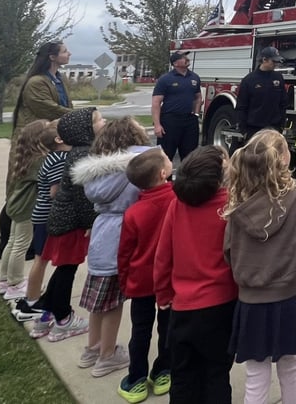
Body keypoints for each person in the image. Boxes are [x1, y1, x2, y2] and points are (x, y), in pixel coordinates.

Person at [222, 129, 296, 404]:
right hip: (289, 297)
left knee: (255, 375)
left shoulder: (237, 202)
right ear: (284, 159)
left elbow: (228, 250)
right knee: (291, 368)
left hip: (251, 301)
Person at [154, 146, 239, 404]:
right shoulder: (229, 208)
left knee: (183, 378)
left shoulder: (176, 206)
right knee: (216, 375)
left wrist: (163, 293)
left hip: (183, 308)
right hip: (221, 306)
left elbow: (163, 256)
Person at [75, 117, 153, 378]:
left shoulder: (97, 173)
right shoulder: (135, 165)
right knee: (113, 303)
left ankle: (92, 347)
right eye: (137, 125)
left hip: (100, 234)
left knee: (98, 301)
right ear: (130, 137)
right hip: (122, 233)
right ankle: (107, 354)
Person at [0, 40, 73, 262]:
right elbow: (47, 108)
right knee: (19, 190)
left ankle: (29, 243)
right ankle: (6, 242)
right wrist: (81, 115)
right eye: (64, 51)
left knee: (38, 190)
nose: (69, 54)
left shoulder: (57, 79)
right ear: (52, 56)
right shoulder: (36, 82)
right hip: (30, 141)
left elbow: (59, 107)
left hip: (46, 140)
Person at [40, 106, 105, 342]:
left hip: (64, 219)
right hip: (72, 222)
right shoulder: (84, 155)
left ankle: (46, 312)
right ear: (85, 129)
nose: (103, 121)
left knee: (63, 268)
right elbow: (83, 197)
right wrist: (91, 222)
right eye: (99, 120)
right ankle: (64, 319)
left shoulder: (80, 151)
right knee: (68, 269)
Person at [117, 147, 177, 403]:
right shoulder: (177, 200)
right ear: (164, 173)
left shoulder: (133, 213)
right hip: (170, 280)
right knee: (168, 328)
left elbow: (124, 253)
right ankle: (163, 371)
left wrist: (124, 282)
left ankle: (137, 379)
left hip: (140, 281)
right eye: (166, 159)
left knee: (140, 331)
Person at [16, 121, 72, 328]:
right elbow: (54, 191)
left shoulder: (51, 157)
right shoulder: (59, 160)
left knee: (41, 259)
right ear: (59, 140)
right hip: (48, 215)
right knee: (41, 259)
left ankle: (31, 298)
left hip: (41, 215)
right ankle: (31, 301)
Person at [0, 118, 52, 302]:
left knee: (13, 242)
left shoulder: (27, 157)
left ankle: (5, 279)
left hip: (17, 206)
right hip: (27, 208)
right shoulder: (40, 160)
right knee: (20, 244)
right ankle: (15, 284)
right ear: (39, 138)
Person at [152, 52, 203, 163]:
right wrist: (157, 125)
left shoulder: (195, 77)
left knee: (190, 157)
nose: (186, 59)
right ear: (175, 63)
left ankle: (188, 180)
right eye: (183, 57)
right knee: (165, 156)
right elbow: (156, 103)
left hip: (189, 121)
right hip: (170, 121)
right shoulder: (165, 79)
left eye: (186, 56)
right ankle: (165, 180)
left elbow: (198, 98)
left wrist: (196, 114)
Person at [236, 47, 290, 140]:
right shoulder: (249, 80)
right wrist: (244, 131)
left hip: (274, 128)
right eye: (273, 61)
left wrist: (281, 126)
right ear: (264, 60)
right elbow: (241, 107)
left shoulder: (278, 78)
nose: (276, 64)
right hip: (254, 129)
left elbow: (283, 103)